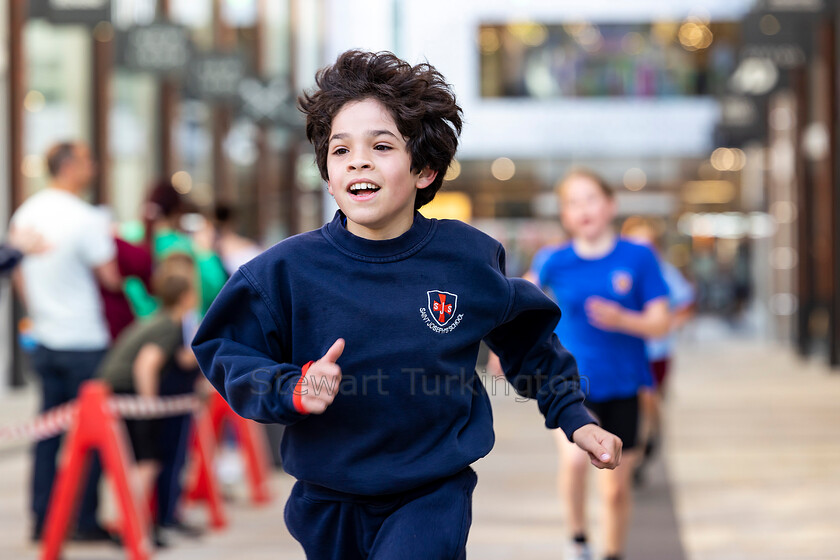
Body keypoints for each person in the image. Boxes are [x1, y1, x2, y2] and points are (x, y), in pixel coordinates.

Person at [192, 50, 621, 560]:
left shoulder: (464, 257)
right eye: (340, 150)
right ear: (328, 176)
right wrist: (292, 389)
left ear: (424, 169)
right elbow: (223, 347)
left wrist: (575, 416)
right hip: (327, 498)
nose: (358, 161)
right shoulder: (285, 270)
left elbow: (528, 340)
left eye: (381, 145)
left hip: (432, 491)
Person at [534, 169, 670, 560]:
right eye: (573, 202)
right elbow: (519, 308)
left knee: (614, 488)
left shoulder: (639, 257)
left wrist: (622, 319)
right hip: (570, 386)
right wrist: (502, 349)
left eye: (591, 198)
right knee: (575, 460)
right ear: (564, 215)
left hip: (626, 386)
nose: (583, 209)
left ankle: (613, 553)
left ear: (610, 205)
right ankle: (577, 540)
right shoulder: (552, 261)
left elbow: (661, 321)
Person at [10, 141, 122, 542]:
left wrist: (38, 312)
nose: (93, 167)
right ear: (70, 166)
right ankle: (85, 520)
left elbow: (17, 272)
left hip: (45, 337)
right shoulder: (85, 217)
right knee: (91, 434)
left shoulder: (27, 212)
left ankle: (43, 520)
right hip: (85, 339)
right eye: (89, 161)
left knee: (46, 433)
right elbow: (110, 276)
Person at [98, 253, 198, 547]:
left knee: (139, 462)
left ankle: (131, 524)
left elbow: (181, 358)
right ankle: (129, 527)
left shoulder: (157, 320)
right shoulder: (168, 325)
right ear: (185, 296)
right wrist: (149, 406)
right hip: (126, 392)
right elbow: (146, 364)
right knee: (146, 463)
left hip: (115, 389)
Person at [620, 216, 695, 486]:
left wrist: (667, 324)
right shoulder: (618, 270)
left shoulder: (664, 272)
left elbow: (686, 304)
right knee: (639, 399)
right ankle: (638, 452)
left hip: (657, 352)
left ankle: (649, 438)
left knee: (651, 402)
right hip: (627, 351)